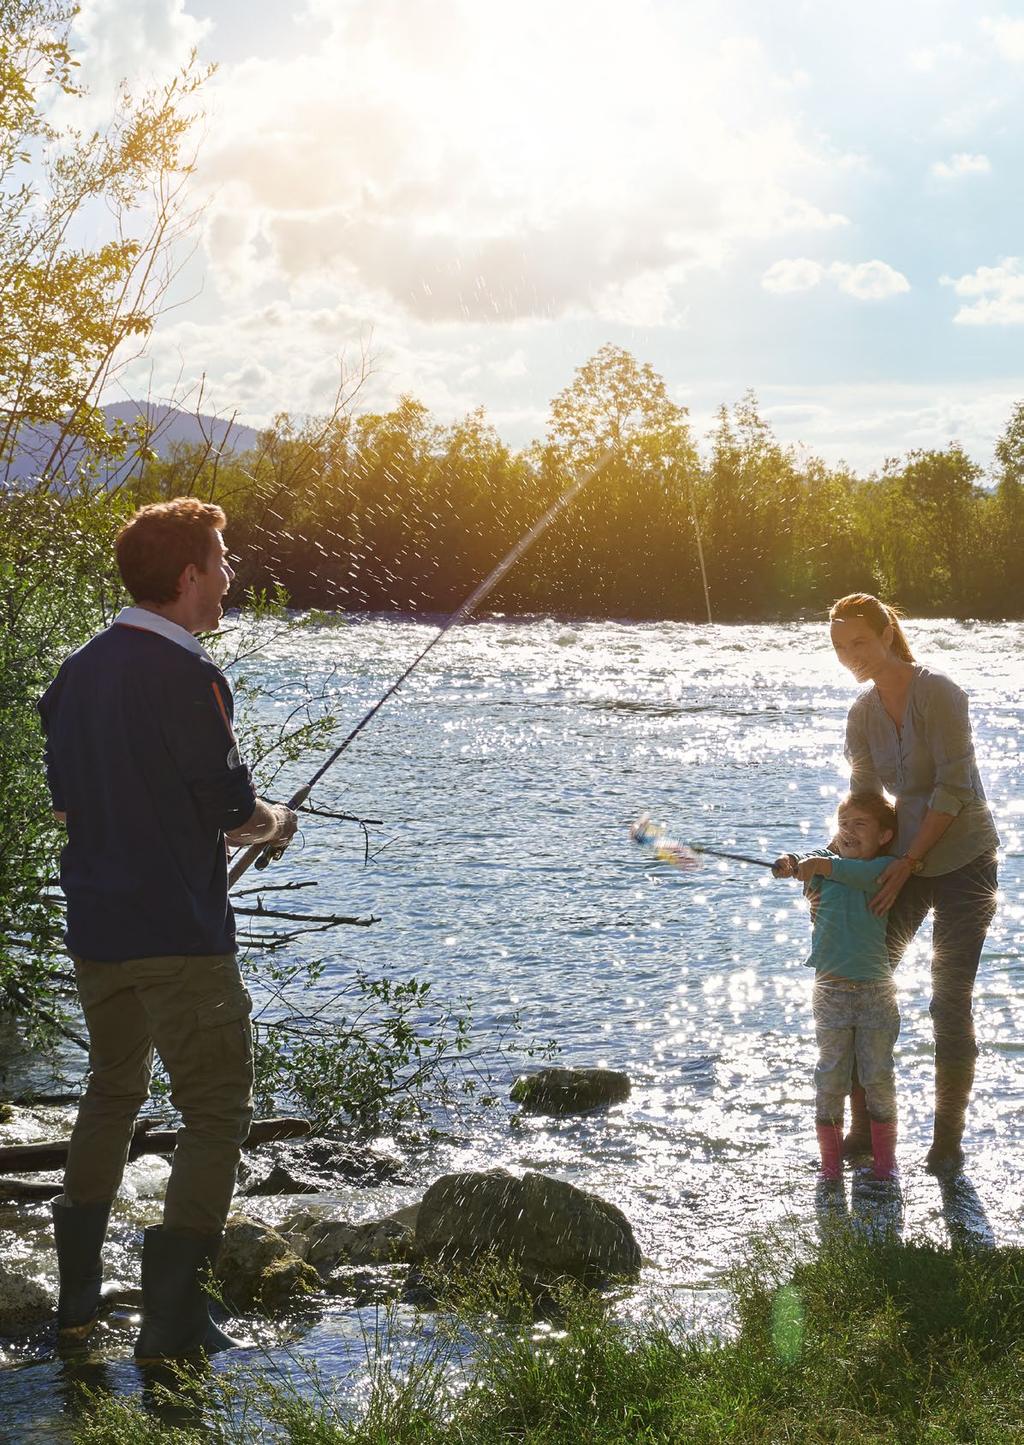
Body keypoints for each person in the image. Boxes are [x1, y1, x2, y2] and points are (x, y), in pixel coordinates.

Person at [37, 498, 298, 1360]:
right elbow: (230, 812)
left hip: (97, 930)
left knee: (112, 1088)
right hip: (179, 937)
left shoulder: (74, 673)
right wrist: (276, 821)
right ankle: (172, 1318)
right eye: (221, 563)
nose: (229, 578)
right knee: (217, 1108)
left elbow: (73, 803)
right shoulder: (189, 676)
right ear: (188, 576)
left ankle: (76, 1301)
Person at [828, 593, 999, 1175]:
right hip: (902, 861)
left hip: (965, 864)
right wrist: (830, 861)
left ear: (887, 635)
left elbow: (955, 789)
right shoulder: (862, 715)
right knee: (860, 984)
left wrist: (906, 863)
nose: (851, 655)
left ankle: (947, 1141)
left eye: (860, 642)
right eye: (840, 646)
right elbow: (866, 803)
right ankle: (860, 1132)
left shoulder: (942, 695)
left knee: (948, 1001)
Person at [775, 793, 900, 1182]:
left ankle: (886, 1166)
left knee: (877, 1076)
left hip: (876, 993)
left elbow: (842, 871)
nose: (848, 831)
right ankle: (830, 1169)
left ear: (884, 836)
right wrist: (792, 864)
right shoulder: (824, 867)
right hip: (829, 992)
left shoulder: (885, 869)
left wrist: (820, 866)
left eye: (860, 825)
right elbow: (806, 863)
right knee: (830, 1077)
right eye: (843, 824)